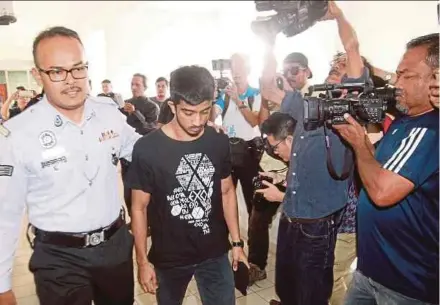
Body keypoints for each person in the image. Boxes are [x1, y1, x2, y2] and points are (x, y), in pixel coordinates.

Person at [0, 26, 141, 305]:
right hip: (58, 257)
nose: (71, 80)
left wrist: (179, 134)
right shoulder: (17, 135)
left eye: (78, 69)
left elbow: (143, 151)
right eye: (57, 71)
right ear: (38, 75)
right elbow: (5, 212)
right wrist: (2, 284)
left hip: (114, 248)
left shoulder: (108, 114)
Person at [259, 2, 368, 304]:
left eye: (341, 69)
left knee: (311, 296)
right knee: (287, 290)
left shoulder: (349, 109)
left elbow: (353, 46)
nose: (335, 73)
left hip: (318, 224)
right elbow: (268, 88)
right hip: (290, 216)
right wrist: (269, 42)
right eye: (332, 68)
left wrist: (338, 16)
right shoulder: (307, 105)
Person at [126, 65, 248, 305]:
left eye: (205, 111)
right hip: (169, 257)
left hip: (214, 252)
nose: (198, 121)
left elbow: (226, 191)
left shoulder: (218, 141)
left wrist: (236, 242)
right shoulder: (148, 149)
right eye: (188, 112)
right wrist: (142, 261)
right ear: (172, 106)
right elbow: (138, 208)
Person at [335, 33, 439, 305]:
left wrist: (359, 144)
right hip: (369, 274)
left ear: (436, 80)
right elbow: (377, 168)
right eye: (398, 74)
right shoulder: (405, 121)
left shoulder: (431, 130)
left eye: (407, 76)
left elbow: (382, 191)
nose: (397, 83)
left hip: (405, 286)